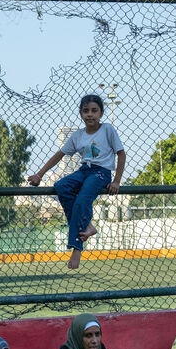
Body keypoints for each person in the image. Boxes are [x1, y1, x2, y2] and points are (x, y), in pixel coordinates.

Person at [28, 94, 126, 269]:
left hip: (101, 173)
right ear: (81, 113)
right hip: (84, 170)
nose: (90, 114)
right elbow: (60, 154)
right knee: (61, 185)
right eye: (86, 111)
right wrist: (40, 174)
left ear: (101, 113)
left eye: (94, 111)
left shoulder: (107, 130)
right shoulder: (78, 135)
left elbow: (121, 153)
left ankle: (76, 248)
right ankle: (87, 225)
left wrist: (117, 180)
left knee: (82, 199)